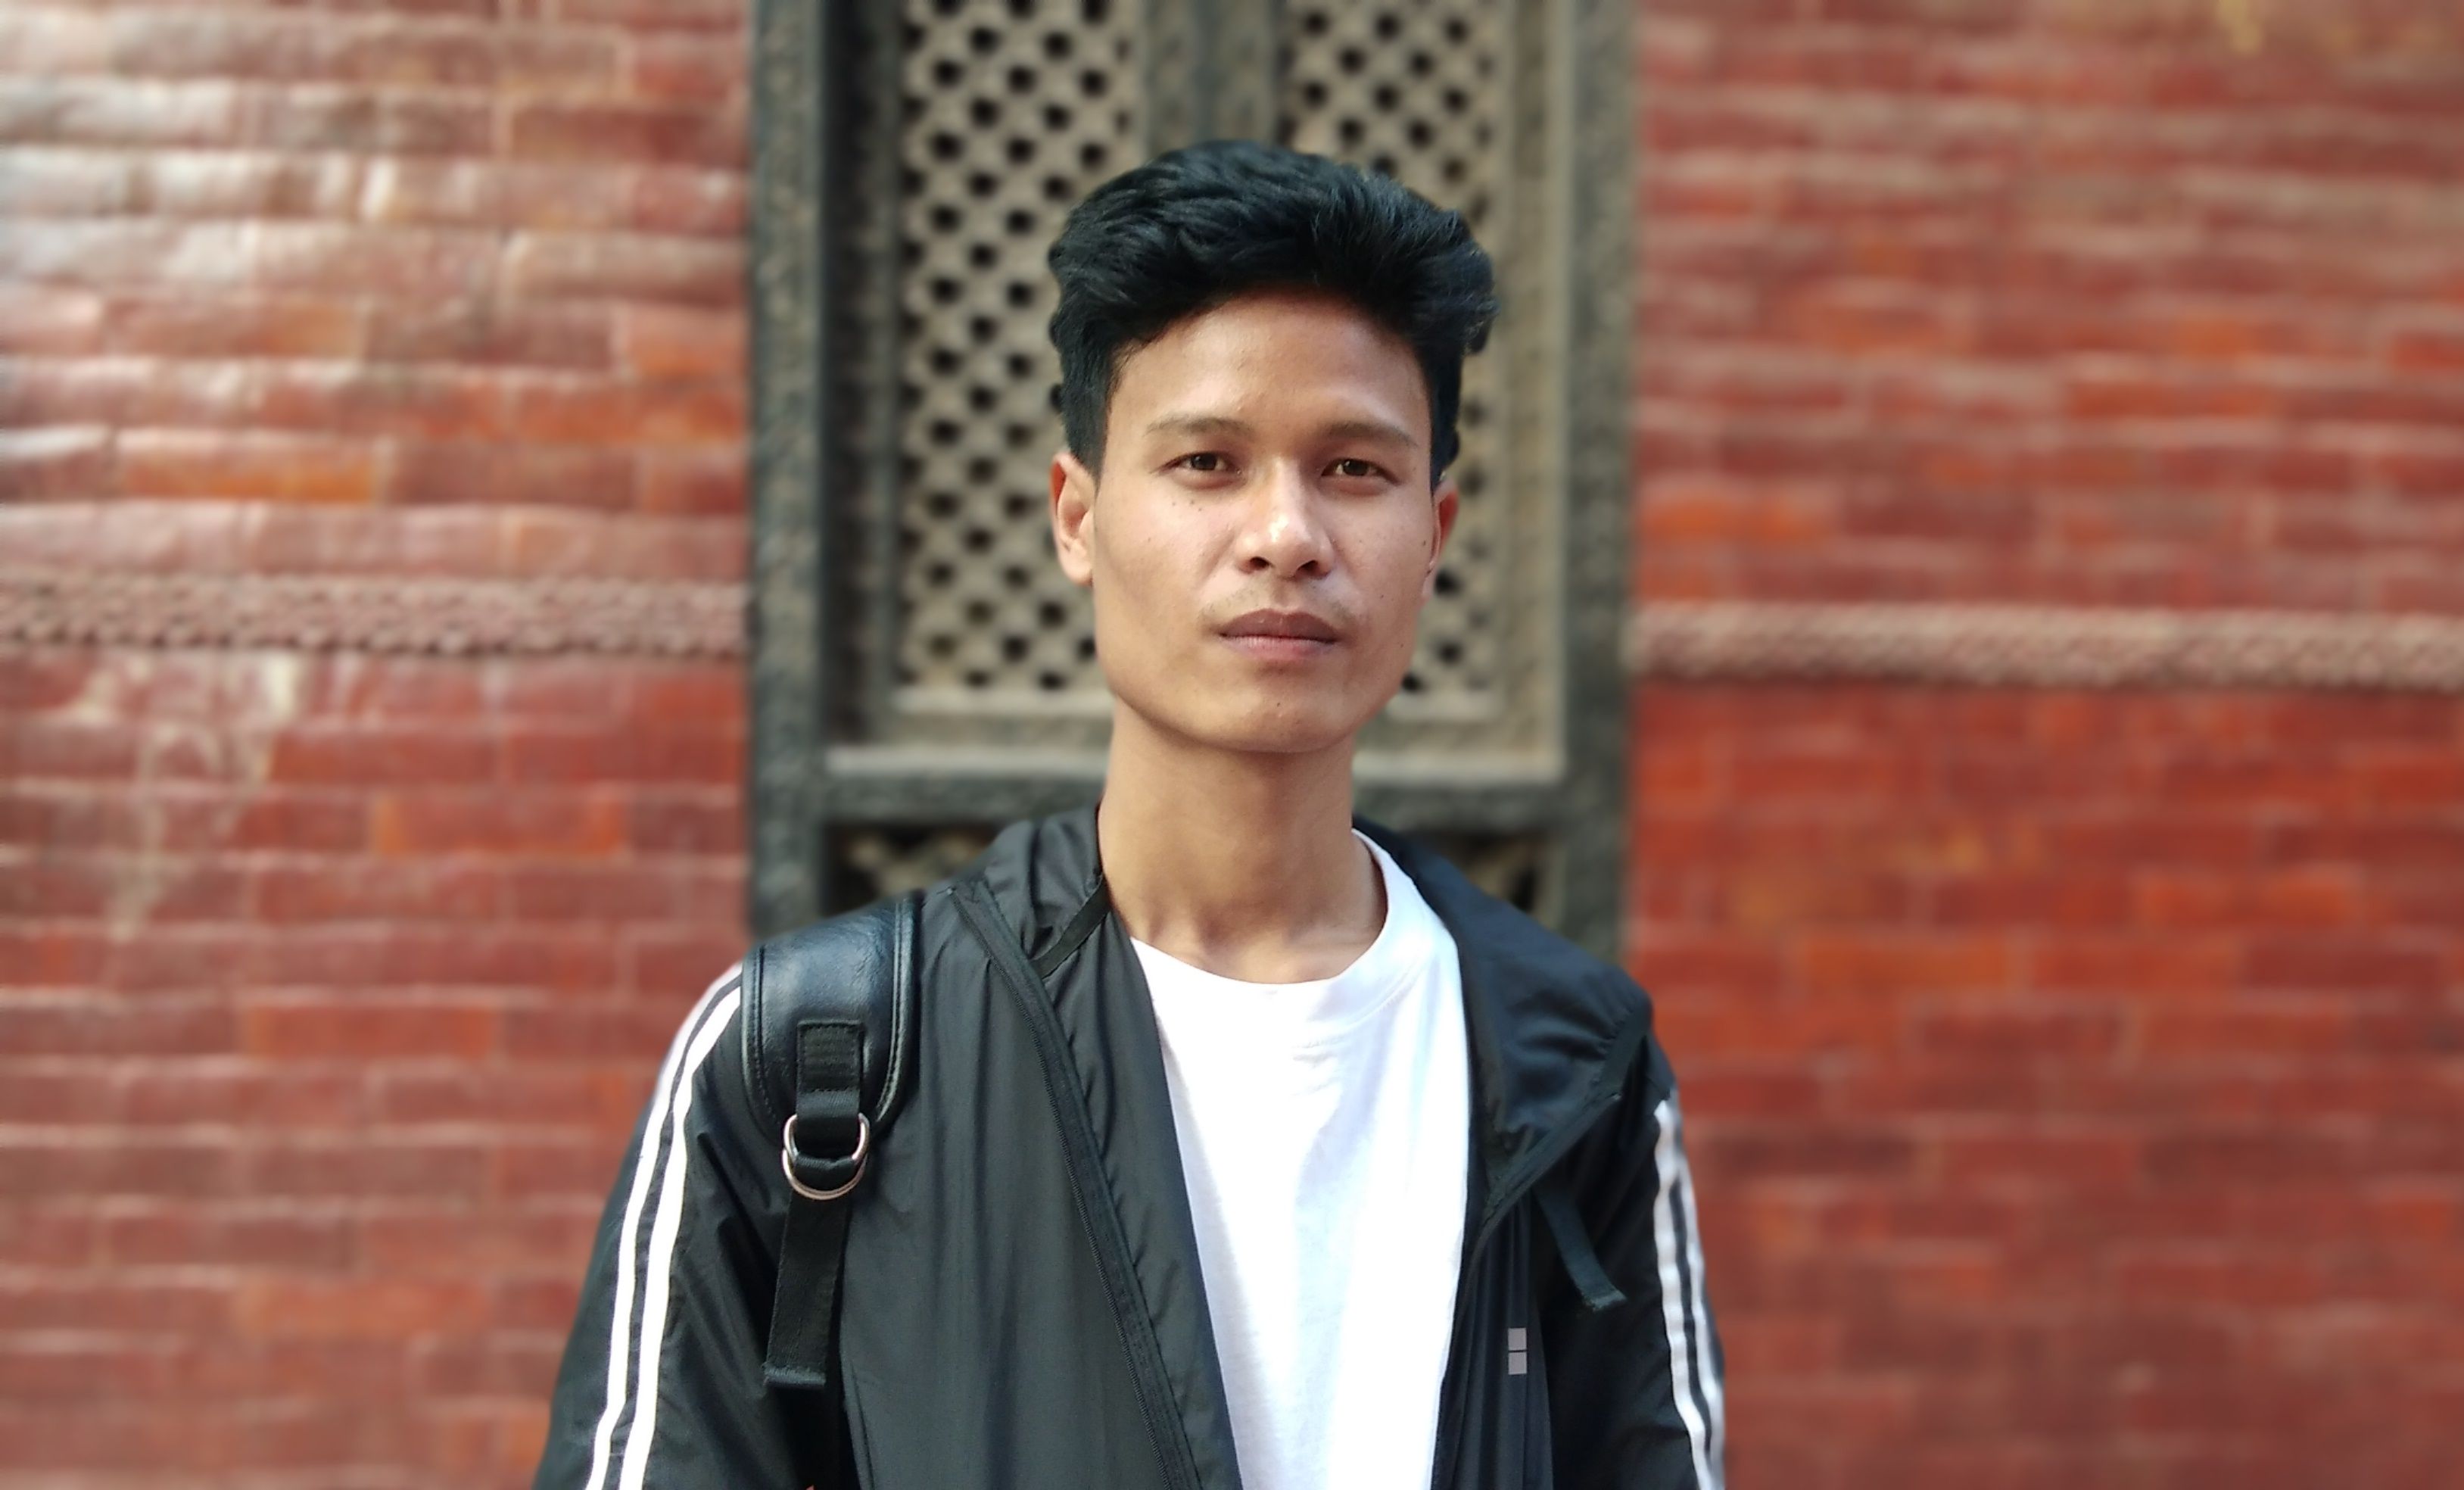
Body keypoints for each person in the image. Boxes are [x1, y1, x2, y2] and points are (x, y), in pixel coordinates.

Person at [532, 140, 1724, 1490]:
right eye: (1209, 461)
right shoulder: (818, 1059)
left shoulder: (1573, 1065)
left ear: (1435, 532)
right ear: (1077, 517)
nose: (1286, 534)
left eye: (1354, 470)